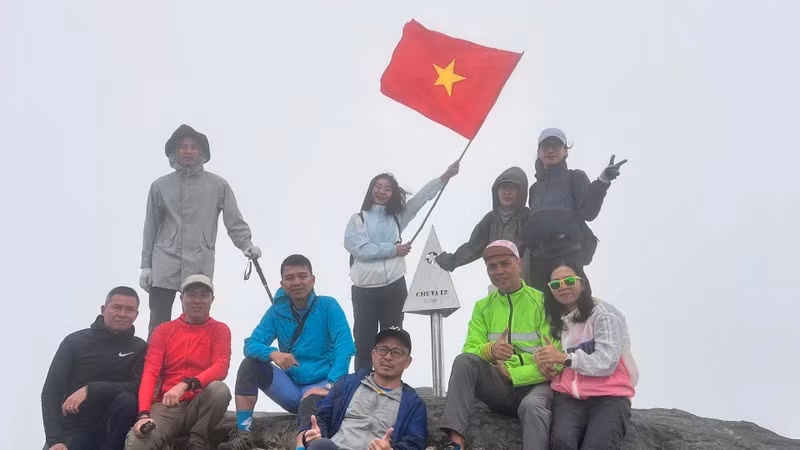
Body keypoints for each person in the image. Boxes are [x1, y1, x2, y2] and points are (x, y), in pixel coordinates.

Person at [220, 254, 355, 450]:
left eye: (302, 276)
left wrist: (332, 384)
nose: (296, 282)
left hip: (322, 387)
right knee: (250, 365)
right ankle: (244, 433)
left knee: (311, 408)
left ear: (312, 280)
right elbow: (250, 344)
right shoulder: (276, 312)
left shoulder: (328, 306)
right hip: (291, 389)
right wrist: (273, 354)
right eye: (290, 277)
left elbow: (345, 346)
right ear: (282, 283)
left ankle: (305, 442)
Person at [139, 124, 262, 338]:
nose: (188, 151)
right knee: (159, 319)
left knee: (197, 316)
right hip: (164, 258)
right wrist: (146, 266)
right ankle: (153, 369)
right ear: (175, 152)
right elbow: (151, 226)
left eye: (193, 147)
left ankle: (194, 365)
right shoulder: (160, 186)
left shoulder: (218, 185)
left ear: (202, 152)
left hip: (200, 258)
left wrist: (247, 245)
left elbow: (234, 220)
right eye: (183, 146)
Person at [437, 240, 554, 450]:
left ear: (519, 264)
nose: (498, 271)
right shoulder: (483, 307)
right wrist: (489, 350)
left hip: (535, 388)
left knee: (532, 407)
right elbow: (470, 349)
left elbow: (553, 363)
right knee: (464, 361)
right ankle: (455, 443)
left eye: (505, 263)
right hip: (499, 388)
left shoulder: (542, 302)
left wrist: (514, 372)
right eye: (492, 266)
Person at [344, 161, 460, 371]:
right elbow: (358, 248)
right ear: (371, 189)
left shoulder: (397, 218)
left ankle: (390, 385)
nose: (382, 191)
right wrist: (393, 250)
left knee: (393, 342)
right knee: (364, 343)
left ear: (393, 194)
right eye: (378, 187)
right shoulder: (358, 219)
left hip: (394, 287)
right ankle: (361, 387)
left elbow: (420, 200)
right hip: (364, 290)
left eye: (387, 188)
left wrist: (443, 178)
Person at [534, 263, 638, 449]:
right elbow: (548, 355)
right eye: (555, 285)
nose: (563, 287)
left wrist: (564, 359)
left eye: (569, 280)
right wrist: (544, 362)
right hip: (569, 397)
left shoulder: (604, 314)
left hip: (610, 397)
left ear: (582, 283)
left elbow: (606, 362)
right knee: (561, 442)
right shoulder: (553, 320)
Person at [125, 274, 232, 450]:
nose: (197, 300)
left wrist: (186, 384)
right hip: (166, 406)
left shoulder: (220, 330)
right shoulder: (164, 331)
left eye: (203, 295)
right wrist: (144, 414)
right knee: (137, 444)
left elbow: (221, 368)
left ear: (212, 299)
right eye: (191, 295)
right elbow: (150, 372)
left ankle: (198, 443)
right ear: (181, 298)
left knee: (219, 390)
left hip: (200, 403)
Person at [41, 286, 147, 450]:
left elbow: (138, 386)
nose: (122, 314)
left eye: (129, 309)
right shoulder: (75, 341)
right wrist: (55, 440)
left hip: (114, 429)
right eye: (117, 307)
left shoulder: (140, 348)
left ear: (137, 315)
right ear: (104, 309)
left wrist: (92, 389)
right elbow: (51, 391)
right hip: (74, 427)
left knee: (128, 400)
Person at [524, 127, 627, 291]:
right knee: (543, 311)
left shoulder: (575, 177)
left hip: (568, 254)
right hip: (539, 260)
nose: (551, 150)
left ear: (565, 151)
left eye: (556, 146)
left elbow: (589, 212)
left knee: (576, 308)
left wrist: (603, 181)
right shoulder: (534, 188)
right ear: (539, 152)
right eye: (545, 146)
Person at [297, 327, 427, 450]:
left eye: (396, 352)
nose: (388, 357)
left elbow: (415, 441)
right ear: (373, 355)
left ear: (408, 362)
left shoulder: (413, 404)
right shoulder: (348, 384)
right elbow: (323, 417)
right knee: (320, 445)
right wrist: (314, 433)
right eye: (382, 349)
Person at [435, 166, 531, 281]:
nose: (507, 192)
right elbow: (473, 247)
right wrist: (452, 260)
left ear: (521, 192)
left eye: (512, 188)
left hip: (528, 282)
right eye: (503, 188)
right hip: (501, 280)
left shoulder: (529, 218)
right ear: (496, 191)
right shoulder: (491, 219)